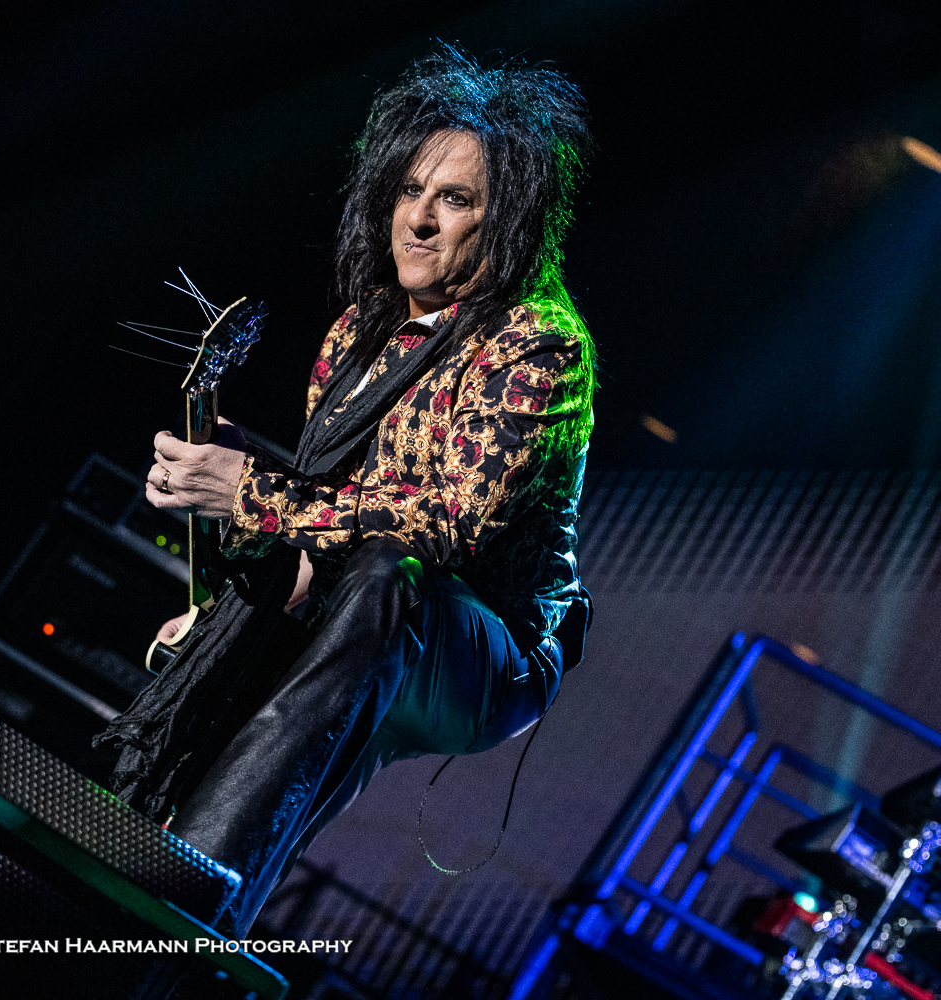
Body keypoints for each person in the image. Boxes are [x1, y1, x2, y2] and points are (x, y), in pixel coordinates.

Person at [97, 45, 595, 935]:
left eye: (456, 200)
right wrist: (225, 590)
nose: (420, 221)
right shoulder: (358, 333)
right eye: (410, 191)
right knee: (287, 675)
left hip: (488, 647)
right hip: (363, 612)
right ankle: (160, 892)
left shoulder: (538, 344)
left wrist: (254, 492)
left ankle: (186, 891)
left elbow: (450, 526)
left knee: (389, 576)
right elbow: (325, 514)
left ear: (509, 219)